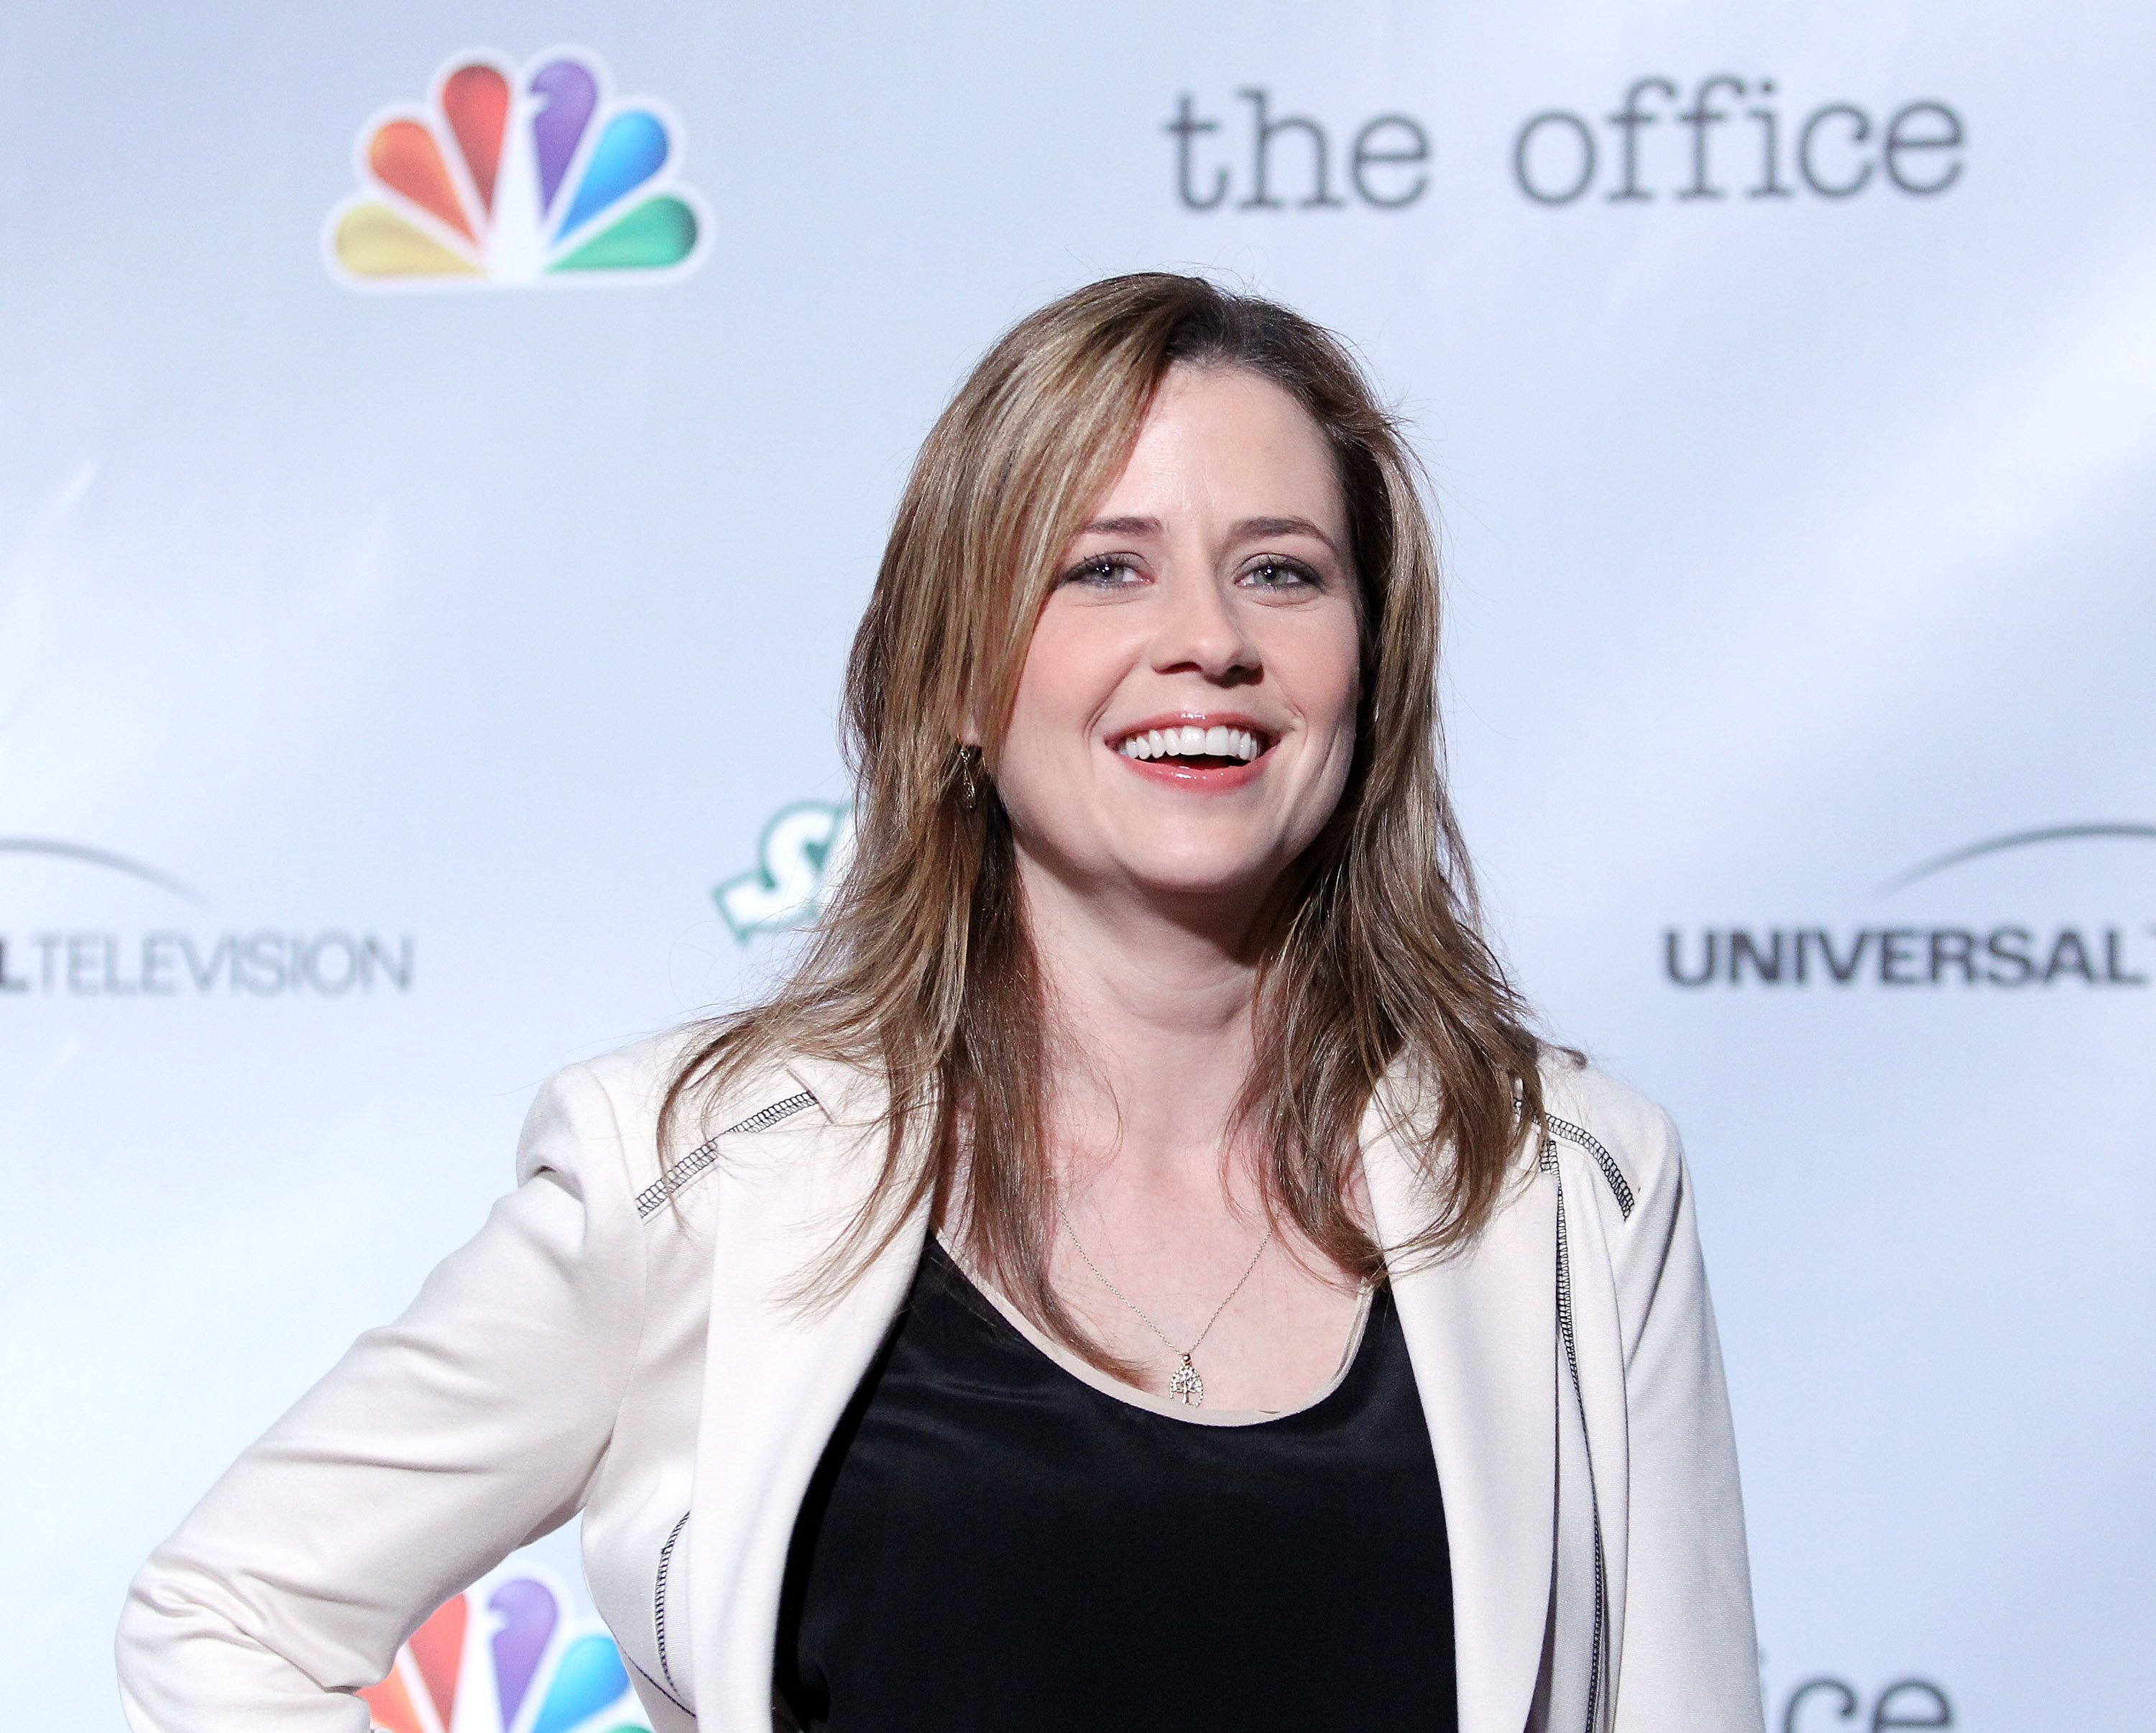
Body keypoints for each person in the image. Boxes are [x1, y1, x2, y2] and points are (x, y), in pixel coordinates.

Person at [116, 273, 1764, 1733]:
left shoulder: (1573, 1183)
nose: (1209, 641)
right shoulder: (693, 1170)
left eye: (1282, 572)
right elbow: (228, 1619)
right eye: (1105, 571)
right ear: (961, 677)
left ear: (1370, 667)